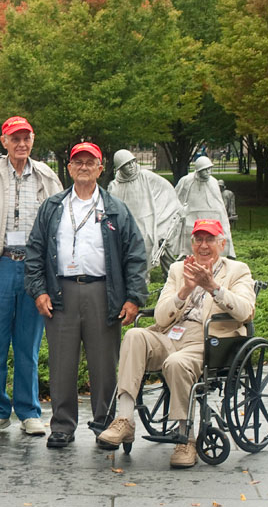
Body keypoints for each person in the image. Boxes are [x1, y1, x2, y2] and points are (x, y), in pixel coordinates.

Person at [97, 219, 255, 468]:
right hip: (170, 334)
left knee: (176, 362)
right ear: (191, 244)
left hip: (208, 340)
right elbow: (160, 317)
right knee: (134, 335)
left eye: (209, 239)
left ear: (222, 244)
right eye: (198, 240)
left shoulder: (237, 270)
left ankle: (186, 438)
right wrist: (185, 291)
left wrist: (213, 287)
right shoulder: (178, 270)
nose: (203, 246)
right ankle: (124, 420)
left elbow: (246, 312)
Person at [24, 142, 148, 449]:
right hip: (61, 292)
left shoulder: (116, 209)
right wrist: (38, 291)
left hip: (103, 292)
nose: (83, 166)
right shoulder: (53, 207)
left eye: (89, 162)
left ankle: (105, 424)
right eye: (77, 161)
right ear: (68, 168)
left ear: (100, 168)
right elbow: (35, 251)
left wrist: (134, 297)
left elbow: (135, 254)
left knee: (104, 364)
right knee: (61, 364)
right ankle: (62, 426)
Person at [0, 116, 63, 437]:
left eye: (26, 138)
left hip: (34, 267)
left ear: (33, 140)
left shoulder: (47, 176)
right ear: (4, 141)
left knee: (28, 343)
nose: (21, 144)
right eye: (15, 138)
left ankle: (29, 411)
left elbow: (59, 220)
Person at [108, 149, 181, 277]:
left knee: (154, 255)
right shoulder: (114, 186)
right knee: (132, 262)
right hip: (128, 230)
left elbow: (166, 191)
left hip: (148, 225)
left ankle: (171, 281)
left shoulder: (146, 176)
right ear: (120, 168)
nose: (131, 167)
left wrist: (165, 216)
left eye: (132, 163)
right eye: (126, 165)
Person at [173, 156, 234, 258]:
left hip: (211, 218)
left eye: (209, 169)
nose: (208, 172)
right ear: (198, 170)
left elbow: (219, 206)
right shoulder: (186, 181)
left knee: (214, 237)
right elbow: (175, 198)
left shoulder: (213, 182)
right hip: (191, 218)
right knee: (190, 239)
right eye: (205, 170)